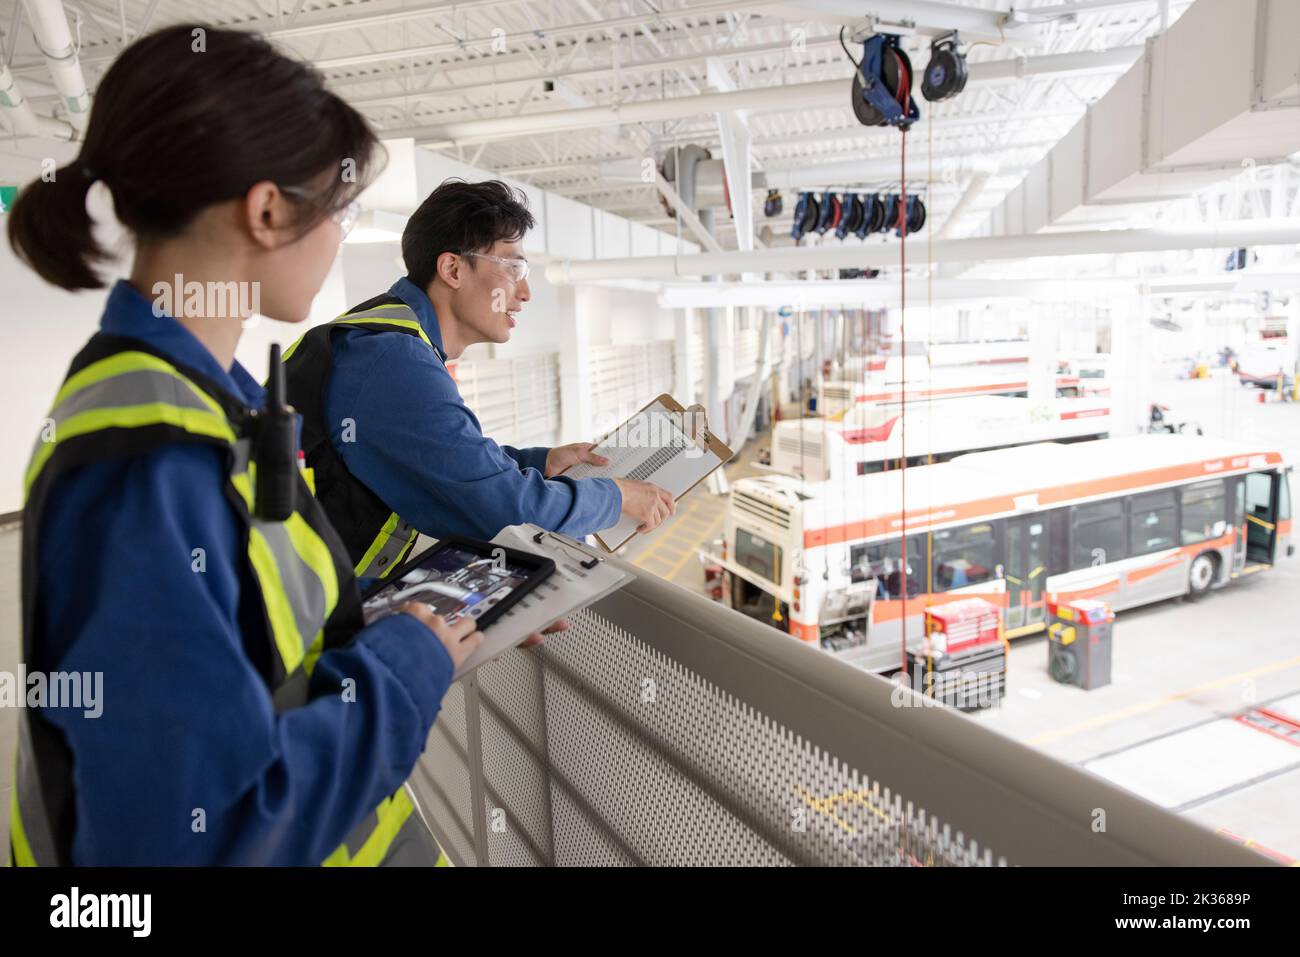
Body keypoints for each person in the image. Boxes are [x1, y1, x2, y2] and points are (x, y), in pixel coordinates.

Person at [6, 24, 504, 866]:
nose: (342, 236)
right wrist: (403, 669)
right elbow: (197, 832)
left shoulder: (206, 402)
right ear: (267, 210)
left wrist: (426, 623)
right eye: (340, 211)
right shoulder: (146, 459)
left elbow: (259, 643)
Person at [282, 179, 676, 581]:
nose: (524, 292)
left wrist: (540, 463)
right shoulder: (393, 360)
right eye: (512, 268)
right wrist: (616, 497)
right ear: (453, 268)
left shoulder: (388, 339)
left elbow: (447, 459)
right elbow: (505, 514)